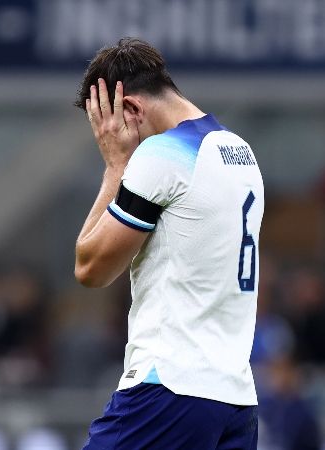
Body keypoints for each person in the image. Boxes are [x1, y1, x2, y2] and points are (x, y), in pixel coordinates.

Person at [73, 38, 263, 450]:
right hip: (235, 400)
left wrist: (115, 166)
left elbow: (91, 268)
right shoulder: (238, 151)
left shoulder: (162, 154)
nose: (110, 136)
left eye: (109, 125)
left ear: (133, 109)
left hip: (170, 389)